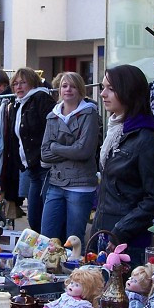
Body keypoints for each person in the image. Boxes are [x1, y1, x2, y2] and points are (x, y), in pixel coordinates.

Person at [92, 64, 154, 267]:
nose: (103, 94)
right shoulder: (115, 132)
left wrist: (121, 229)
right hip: (103, 231)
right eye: (103, 86)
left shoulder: (145, 139)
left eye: (111, 88)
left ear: (128, 91)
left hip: (127, 242)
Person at [40, 71, 100, 245]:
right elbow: (44, 153)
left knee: (73, 240)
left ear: (80, 90)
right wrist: (70, 150)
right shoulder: (52, 116)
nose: (68, 89)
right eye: (64, 86)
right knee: (47, 237)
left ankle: (75, 272)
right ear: (59, 90)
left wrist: (55, 147)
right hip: (55, 182)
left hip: (80, 185)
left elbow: (84, 151)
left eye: (73, 86)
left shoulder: (89, 114)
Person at [1, 68, 55, 232]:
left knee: (44, 218)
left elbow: (52, 129)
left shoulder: (41, 98)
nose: (18, 87)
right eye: (15, 83)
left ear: (33, 82)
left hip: (45, 167)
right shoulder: (19, 104)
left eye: (23, 82)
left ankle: (50, 251)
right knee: (34, 217)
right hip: (31, 168)